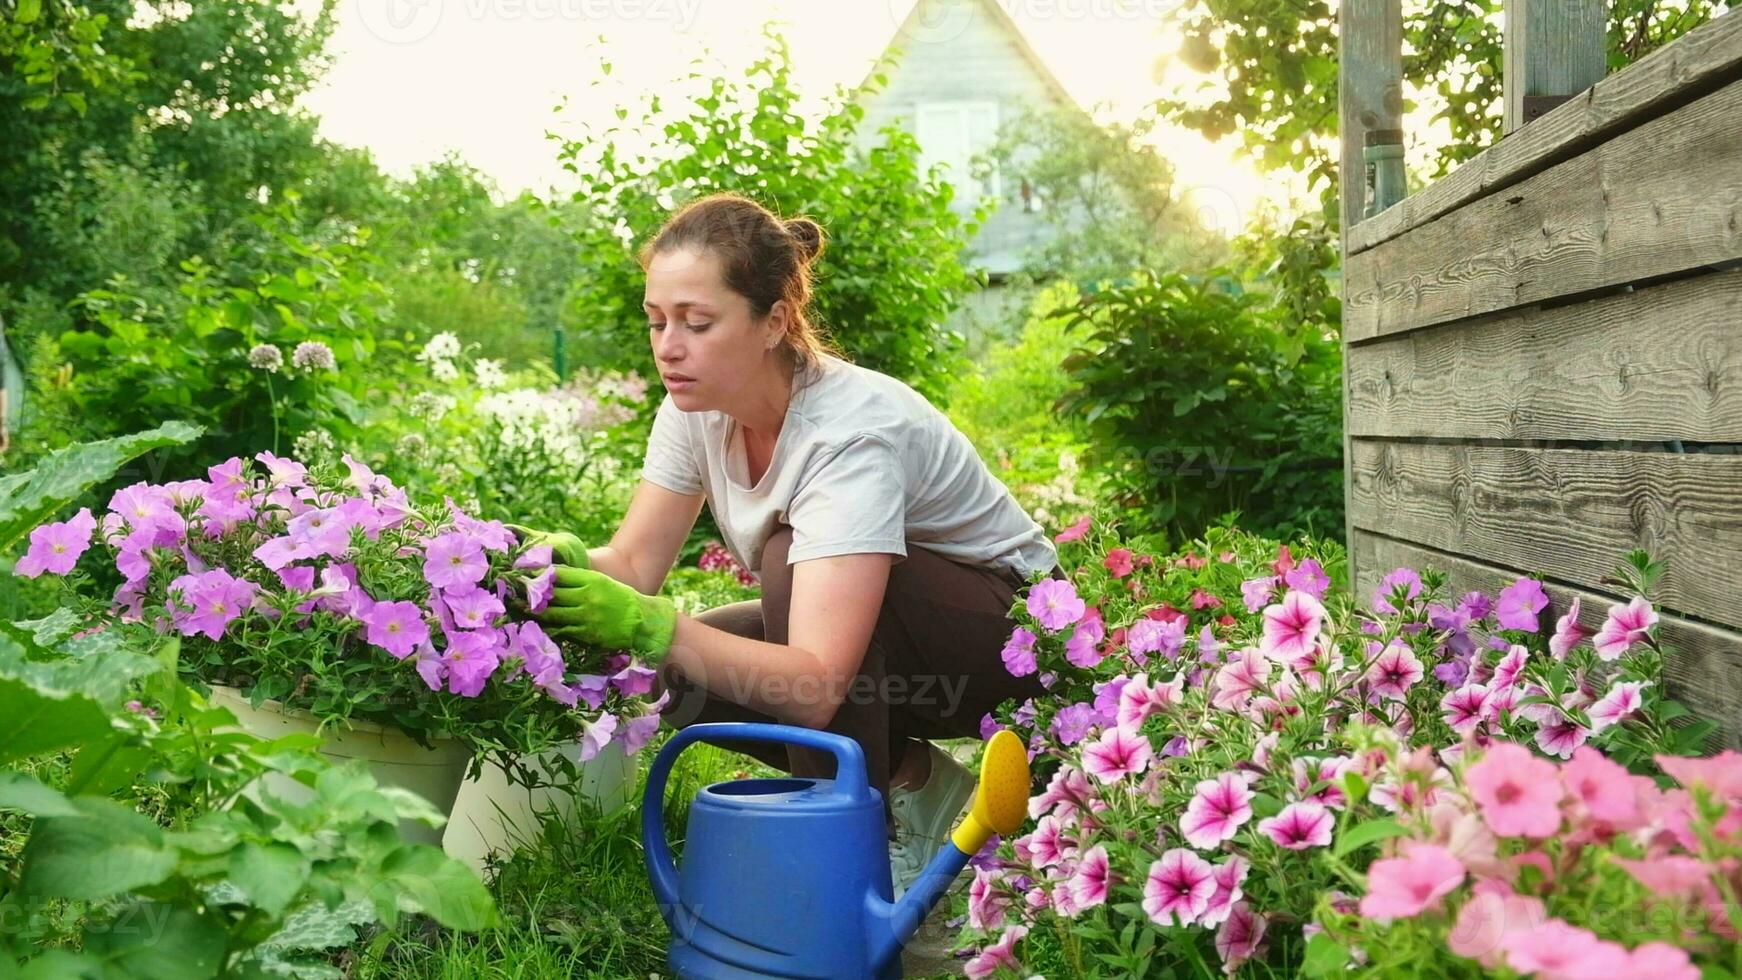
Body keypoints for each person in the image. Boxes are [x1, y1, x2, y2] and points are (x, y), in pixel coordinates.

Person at [519, 192, 1057, 897]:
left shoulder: (848, 431)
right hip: (898, 647)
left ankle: (851, 868)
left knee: (782, 561)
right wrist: (553, 563)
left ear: (774, 321)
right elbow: (634, 567)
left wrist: (655, 626)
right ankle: (919, 793)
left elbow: (815, 685)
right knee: (679, 677)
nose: (667, 347)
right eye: (656, 322)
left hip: (1014, 649)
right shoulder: (694, 410)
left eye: (697, 322)